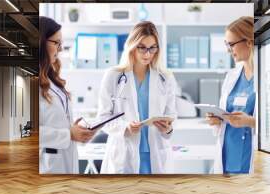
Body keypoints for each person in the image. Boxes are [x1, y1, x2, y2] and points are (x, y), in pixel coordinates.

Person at [97, 21, 177, 174]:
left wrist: (168, 128)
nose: (147, 54)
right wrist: (125, 127)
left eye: (152, 48)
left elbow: (171, 115)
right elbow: (103, 118)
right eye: (142, 47)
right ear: (132, 46)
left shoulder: (166, 78)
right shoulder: (113, 76)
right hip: (125, 153)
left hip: (155, 155)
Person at [39, 16, 97, 174]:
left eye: (61, 43)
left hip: (65, 162)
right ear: (41, 42)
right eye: (56, 42)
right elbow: (28, 132)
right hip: (47, 165)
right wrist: (68, 134)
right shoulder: (32, 81)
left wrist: (72, 129)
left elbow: (53, 121)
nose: (60, 48)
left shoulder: (52, 81)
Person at [206, 16, 257, 174]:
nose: (228, 49)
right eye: (227, 44)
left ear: (249, 41)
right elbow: (225, 115)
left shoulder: (269, 75)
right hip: (226, 155)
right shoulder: (231, 76)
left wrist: (250, 121)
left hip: (248, 158)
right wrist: (217, 119)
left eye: (231, 44)